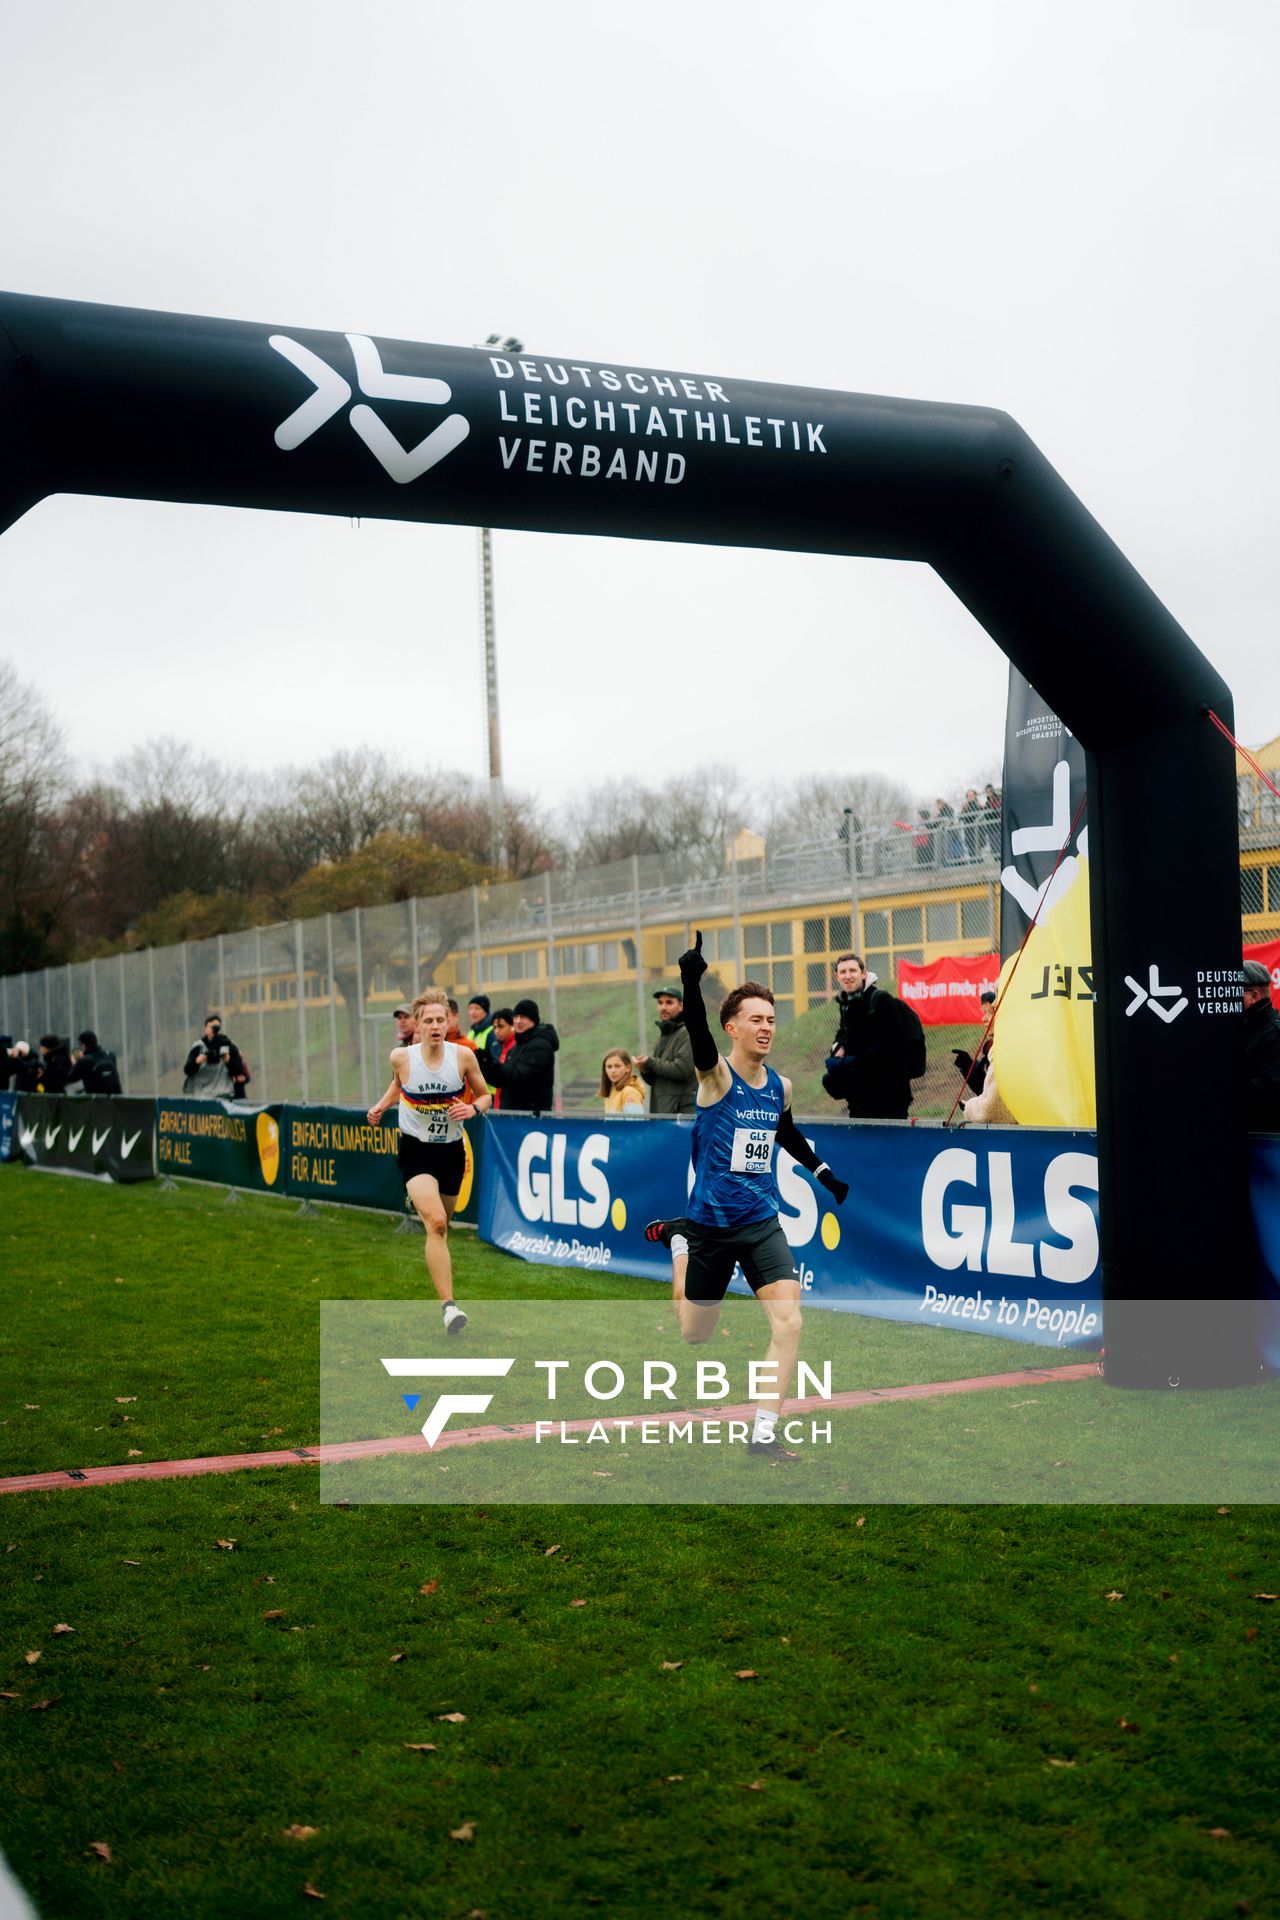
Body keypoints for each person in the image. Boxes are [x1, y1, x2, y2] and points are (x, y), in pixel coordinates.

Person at [644, 932, 849, 1464]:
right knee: (694, 1334)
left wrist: (823, 1172)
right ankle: (678, 1246)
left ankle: (763, 1433)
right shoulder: (715, 1078)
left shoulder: (778, 1084)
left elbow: (784, 1133)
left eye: (772, 1020)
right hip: (709, 1225)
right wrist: (691, 983)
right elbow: (698, 1034)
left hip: (760, 1220)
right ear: (732, 1027)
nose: (766, 1028)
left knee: (791, 1322)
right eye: (755, 1020)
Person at [366, 987, 493, 1335]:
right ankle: (449, 1309)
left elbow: (486, 1095)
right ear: (417, 1025)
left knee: (442, 1227)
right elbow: (398, 1085)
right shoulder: (402, 1058)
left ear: (450, 1021)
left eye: (441, 1019)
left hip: (451, 1150)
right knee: (435, 1222)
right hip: (416, 1149)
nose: (436, 1025)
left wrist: (472, 1108)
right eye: (428, 1020)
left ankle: (423, 1204)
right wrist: (380, 1106)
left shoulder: (463, 1057)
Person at [822, 953, 924, 1121]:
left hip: (888, 1100)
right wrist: (838, 1047)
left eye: (853, 970)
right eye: (843, 972)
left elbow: (891, 1048)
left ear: (863, 973)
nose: (848, 976)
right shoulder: (847, 1004)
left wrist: (849, 1063)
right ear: (836, 976)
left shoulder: (880, 1000)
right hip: (860, 1099)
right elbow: (846, 1037)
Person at [485, 998, 559, 1113]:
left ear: (533, 1020)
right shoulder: (519, 1045)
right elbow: (503, 1079)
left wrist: (490, 1064)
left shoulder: (540, 1046)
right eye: (516, 1017)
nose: (518, 1021)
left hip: (530, 1120)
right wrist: (485, 1066)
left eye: (523, 1017)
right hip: (515, 1116)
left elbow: (517, 1078)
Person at [634, 985, 697, 1115]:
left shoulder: (688, 1032)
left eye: (669, 1002)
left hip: (681, 1116)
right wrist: (644, 1069)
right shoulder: (664, 1036)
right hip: (662, 1113)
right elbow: (657, 1081)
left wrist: (650, 1062)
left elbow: (682, 1070)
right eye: (660, 1003)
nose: (663, 1007)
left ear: (681, 1006)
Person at [1243, 959, 1280, 1132]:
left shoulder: (1274, 1034)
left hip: (1266, 1137)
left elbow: (1270, 1089)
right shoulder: (1246, 1027)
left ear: (1254, 996)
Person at [183, 1015, 241, 1099]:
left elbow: (239, 1071)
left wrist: (228, 1060)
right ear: (205, 1028)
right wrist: (197, 1061)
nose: (214, 1030)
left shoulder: (229, 1045)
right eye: (211, 1027)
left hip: (224, 1095)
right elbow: (187, 1070)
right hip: (202, 1096)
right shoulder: (199, 1047)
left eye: (217, 1027)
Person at [951, 990, 995, 1097]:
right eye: (984, 1013)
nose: (983, 1018)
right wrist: (969, 1068)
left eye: (989, 1013)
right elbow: (985, 1092)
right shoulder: (989, 1047)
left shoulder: (1004, 1048)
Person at [65, 1030, 122, 1096]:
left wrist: (75, 1062)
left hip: (96, 1101)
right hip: (116, 1099)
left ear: (83, 1045)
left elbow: (71, 1079)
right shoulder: (110, 1055)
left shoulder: (83, 1061)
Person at [599, 1049, 646, 1115]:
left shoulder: (630, 1092)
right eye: (609, 1067)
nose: (613, 1070)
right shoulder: (611, 1091)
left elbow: (635, 1124)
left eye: (617, 1066)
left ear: (628, 1068)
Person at [487, 1008, 516, 1111]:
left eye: (501, 1027)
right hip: (500, 1107)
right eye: (495, 1027)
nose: (497, 1031)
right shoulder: (505, 1047)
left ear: (513, 1026)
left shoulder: (515, 1047)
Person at [959, 788, 982, 863]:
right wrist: (963, 809)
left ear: (975, 796)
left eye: (972, 795)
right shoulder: (965, 806)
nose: (970, 797)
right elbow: (961, 817)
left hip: (978, 828)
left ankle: (979, 859)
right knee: (970, 843)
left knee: (978, 843)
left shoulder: (978, 804)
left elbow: (979, 814)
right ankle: (972, 859)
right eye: (969, 796)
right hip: (968, 828)